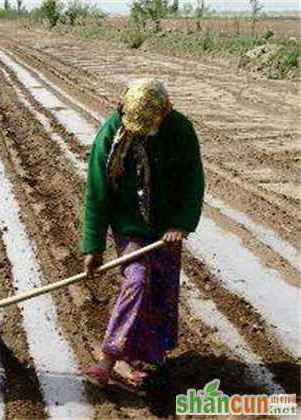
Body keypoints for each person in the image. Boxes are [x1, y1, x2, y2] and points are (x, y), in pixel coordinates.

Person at [80, 79, 204, 388]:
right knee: (136, 280)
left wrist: (181, 224)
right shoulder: (110, 134)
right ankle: (109, 358)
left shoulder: (180, 131)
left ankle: (141, 357)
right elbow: (98, 194)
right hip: (129, 223)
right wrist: (93, 246)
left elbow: (193, 182)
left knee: (161, 289)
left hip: (166, 227)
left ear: (164, 114)